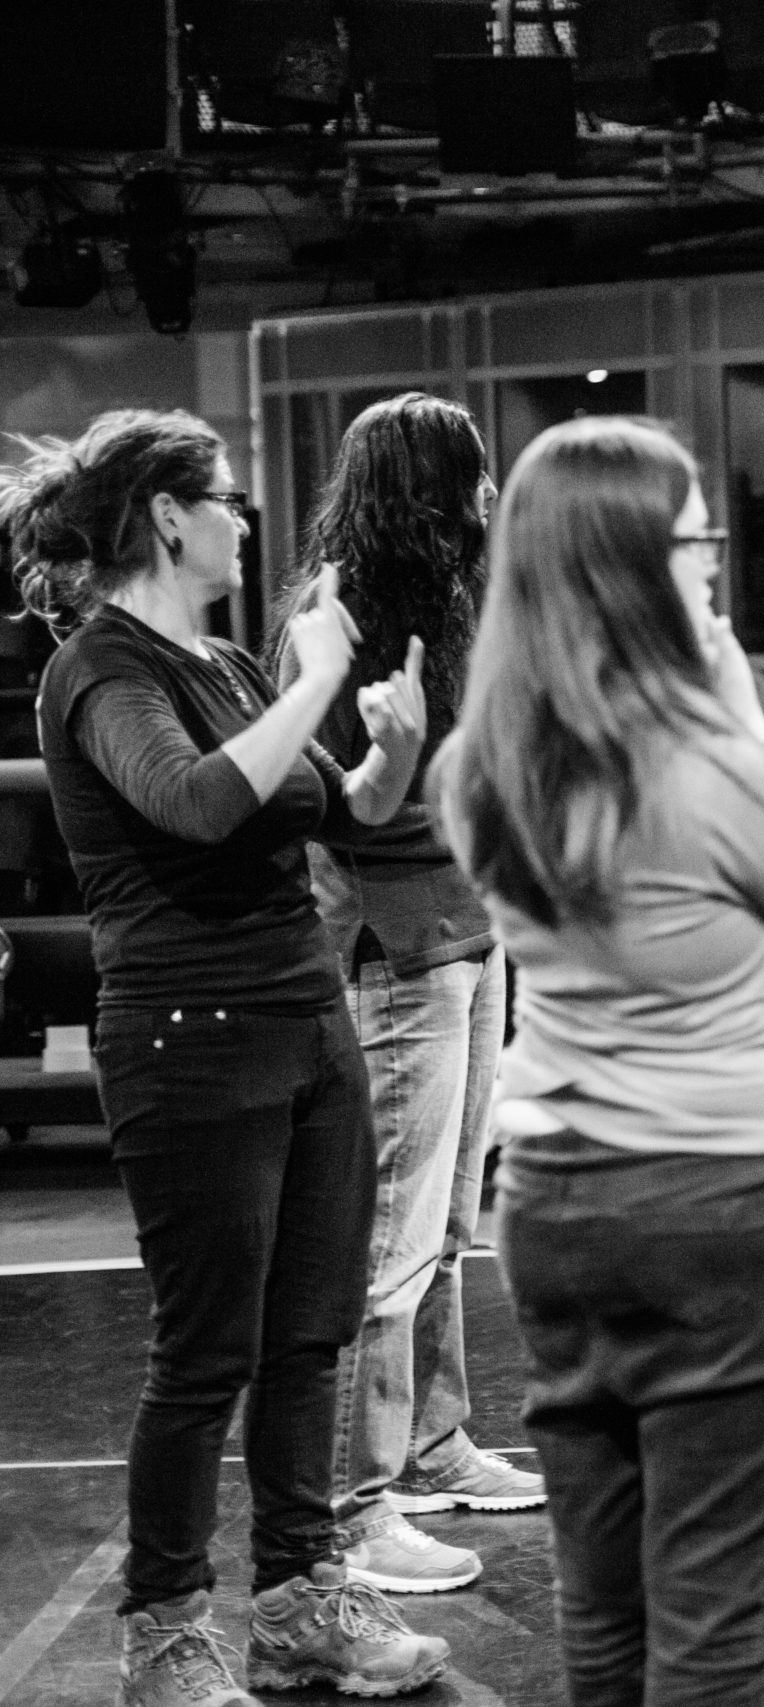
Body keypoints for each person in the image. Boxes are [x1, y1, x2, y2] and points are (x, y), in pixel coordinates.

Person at [435, 417, 764, 1707]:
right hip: (731, 1210)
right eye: (695, 535)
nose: (713, 560)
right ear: (642, 563)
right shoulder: (711, 762)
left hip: (556, 1204)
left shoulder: (481, 763)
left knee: (607, 1620)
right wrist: (747, 723)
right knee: (716, 1633)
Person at [2, 409, 448, 1707]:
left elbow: (345, 805)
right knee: (207, 1354)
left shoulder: (233, 663)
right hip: (189, 1042)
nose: (249, 523)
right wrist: (313, 674)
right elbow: (196, 801)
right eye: (231, 501)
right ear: (168, 515)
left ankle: (303, 1599)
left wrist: (394, 740)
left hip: (306, 1020)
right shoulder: (98, 667)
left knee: (309, 1334)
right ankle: (167, 1631)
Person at [269, 394, 537, 1597]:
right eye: (472, 475)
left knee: (447, 1228)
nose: (489, 496)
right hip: (397, 945)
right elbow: (350, 804)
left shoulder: (456, 600)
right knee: (388, 1235)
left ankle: (431, 1449)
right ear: (428, 487)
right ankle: (352, 1505)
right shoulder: (340, 616)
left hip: (472, 933)